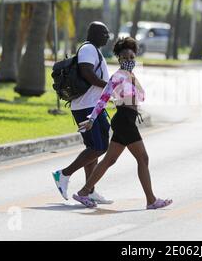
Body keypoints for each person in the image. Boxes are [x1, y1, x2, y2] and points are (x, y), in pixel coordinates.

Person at [73, 37, 173, 210]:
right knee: (143, 158)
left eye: (132, 58)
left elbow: (139, 97)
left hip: (125, 121)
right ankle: (151, 200)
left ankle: (83, 192)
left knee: (109, 160)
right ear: (119, 59)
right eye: (125, 58)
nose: (129, 61)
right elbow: (103, 99)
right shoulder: (118, 76)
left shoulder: (131, 75)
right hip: (124, 120)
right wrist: (91, 119)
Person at [52, 21, 113, 205]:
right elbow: (87, 73)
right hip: (86, 106)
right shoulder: (87, 49)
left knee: (95, 146)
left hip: (94, 106)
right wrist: (109, 85)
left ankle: (90, 190)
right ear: (93, 33)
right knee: (98, 147)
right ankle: (63, 174)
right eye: (103, 32)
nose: (107, 36)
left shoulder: (94, 49)